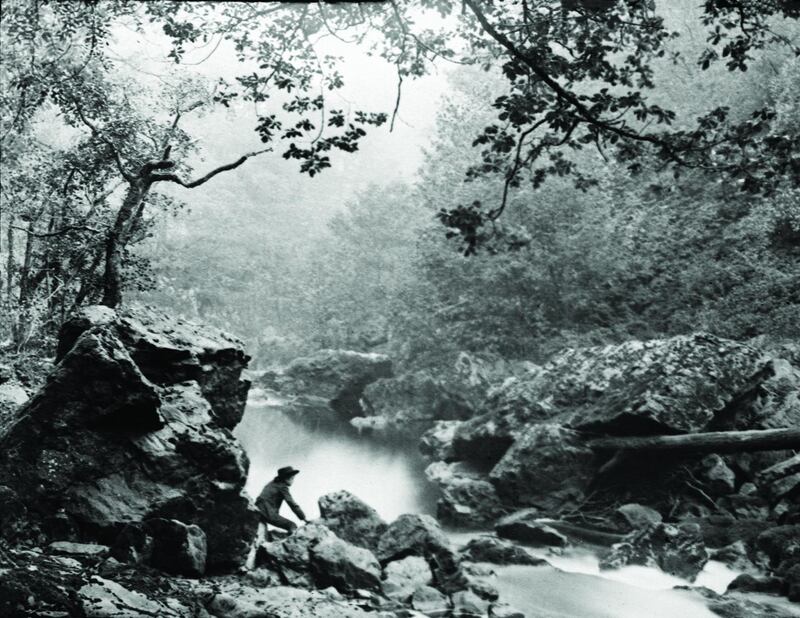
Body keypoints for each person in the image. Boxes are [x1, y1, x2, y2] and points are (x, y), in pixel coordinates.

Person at [256, 466, 307, 534]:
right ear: (286, 478)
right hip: (266, 511)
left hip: (259, 509)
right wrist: (303, 518)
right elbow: (291, 503)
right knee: (292, 526)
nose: (293, 480)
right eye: (292, 478)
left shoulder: (273, 483)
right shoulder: (282, 487)